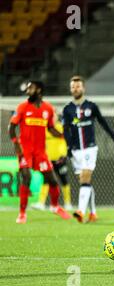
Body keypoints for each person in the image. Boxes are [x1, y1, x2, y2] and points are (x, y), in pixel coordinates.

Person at [8, 81, 71, 224]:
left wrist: (63, 135)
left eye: (31, 88)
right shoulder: (23, 107)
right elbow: (11, 127)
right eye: (28, 88)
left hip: (41, 152)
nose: (28, 90)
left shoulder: (48, 108)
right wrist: (16, 143)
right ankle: (22, 213)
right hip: (25, 150)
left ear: (39, 90)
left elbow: (50, 128)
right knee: (26, 177)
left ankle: (55, 206)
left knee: (53, 181)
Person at [62, 76, 114, 223]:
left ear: (83, 88)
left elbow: (103, 123)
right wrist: (68, 147)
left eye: (78, 86)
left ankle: (81, 211)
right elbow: (65, 129)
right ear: (71, 89)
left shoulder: (91, 106)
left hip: (89, 149)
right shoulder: (67, 109)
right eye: (73, 87)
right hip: (75, 150)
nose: (76, 89)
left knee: (85, 178)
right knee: (85, 182)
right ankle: (93, 213)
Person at [31, 114, 73, 211]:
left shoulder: (60, 127)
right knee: (46, 180)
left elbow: (66, 141)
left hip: (60, 159)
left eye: (53, 116)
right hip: (48, 159)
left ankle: (67, 203)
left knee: (64, 180)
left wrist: (64, 155)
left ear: (57, 117)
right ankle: (41, 203)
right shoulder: (44, 128)